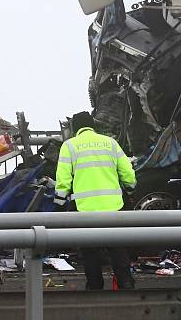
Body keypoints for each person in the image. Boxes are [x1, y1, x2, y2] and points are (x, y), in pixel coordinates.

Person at [53, 111, 137, 290]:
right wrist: (130, 189)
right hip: (113, 207)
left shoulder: (70, 146)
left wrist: (59, 203)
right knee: (118, 248)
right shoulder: (110, 143)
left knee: (90, 252)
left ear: (75, 128)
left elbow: (63, 179)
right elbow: (128, 173)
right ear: (93, 125)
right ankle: (126, 284)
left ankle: (95, 287)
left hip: (85, 209)